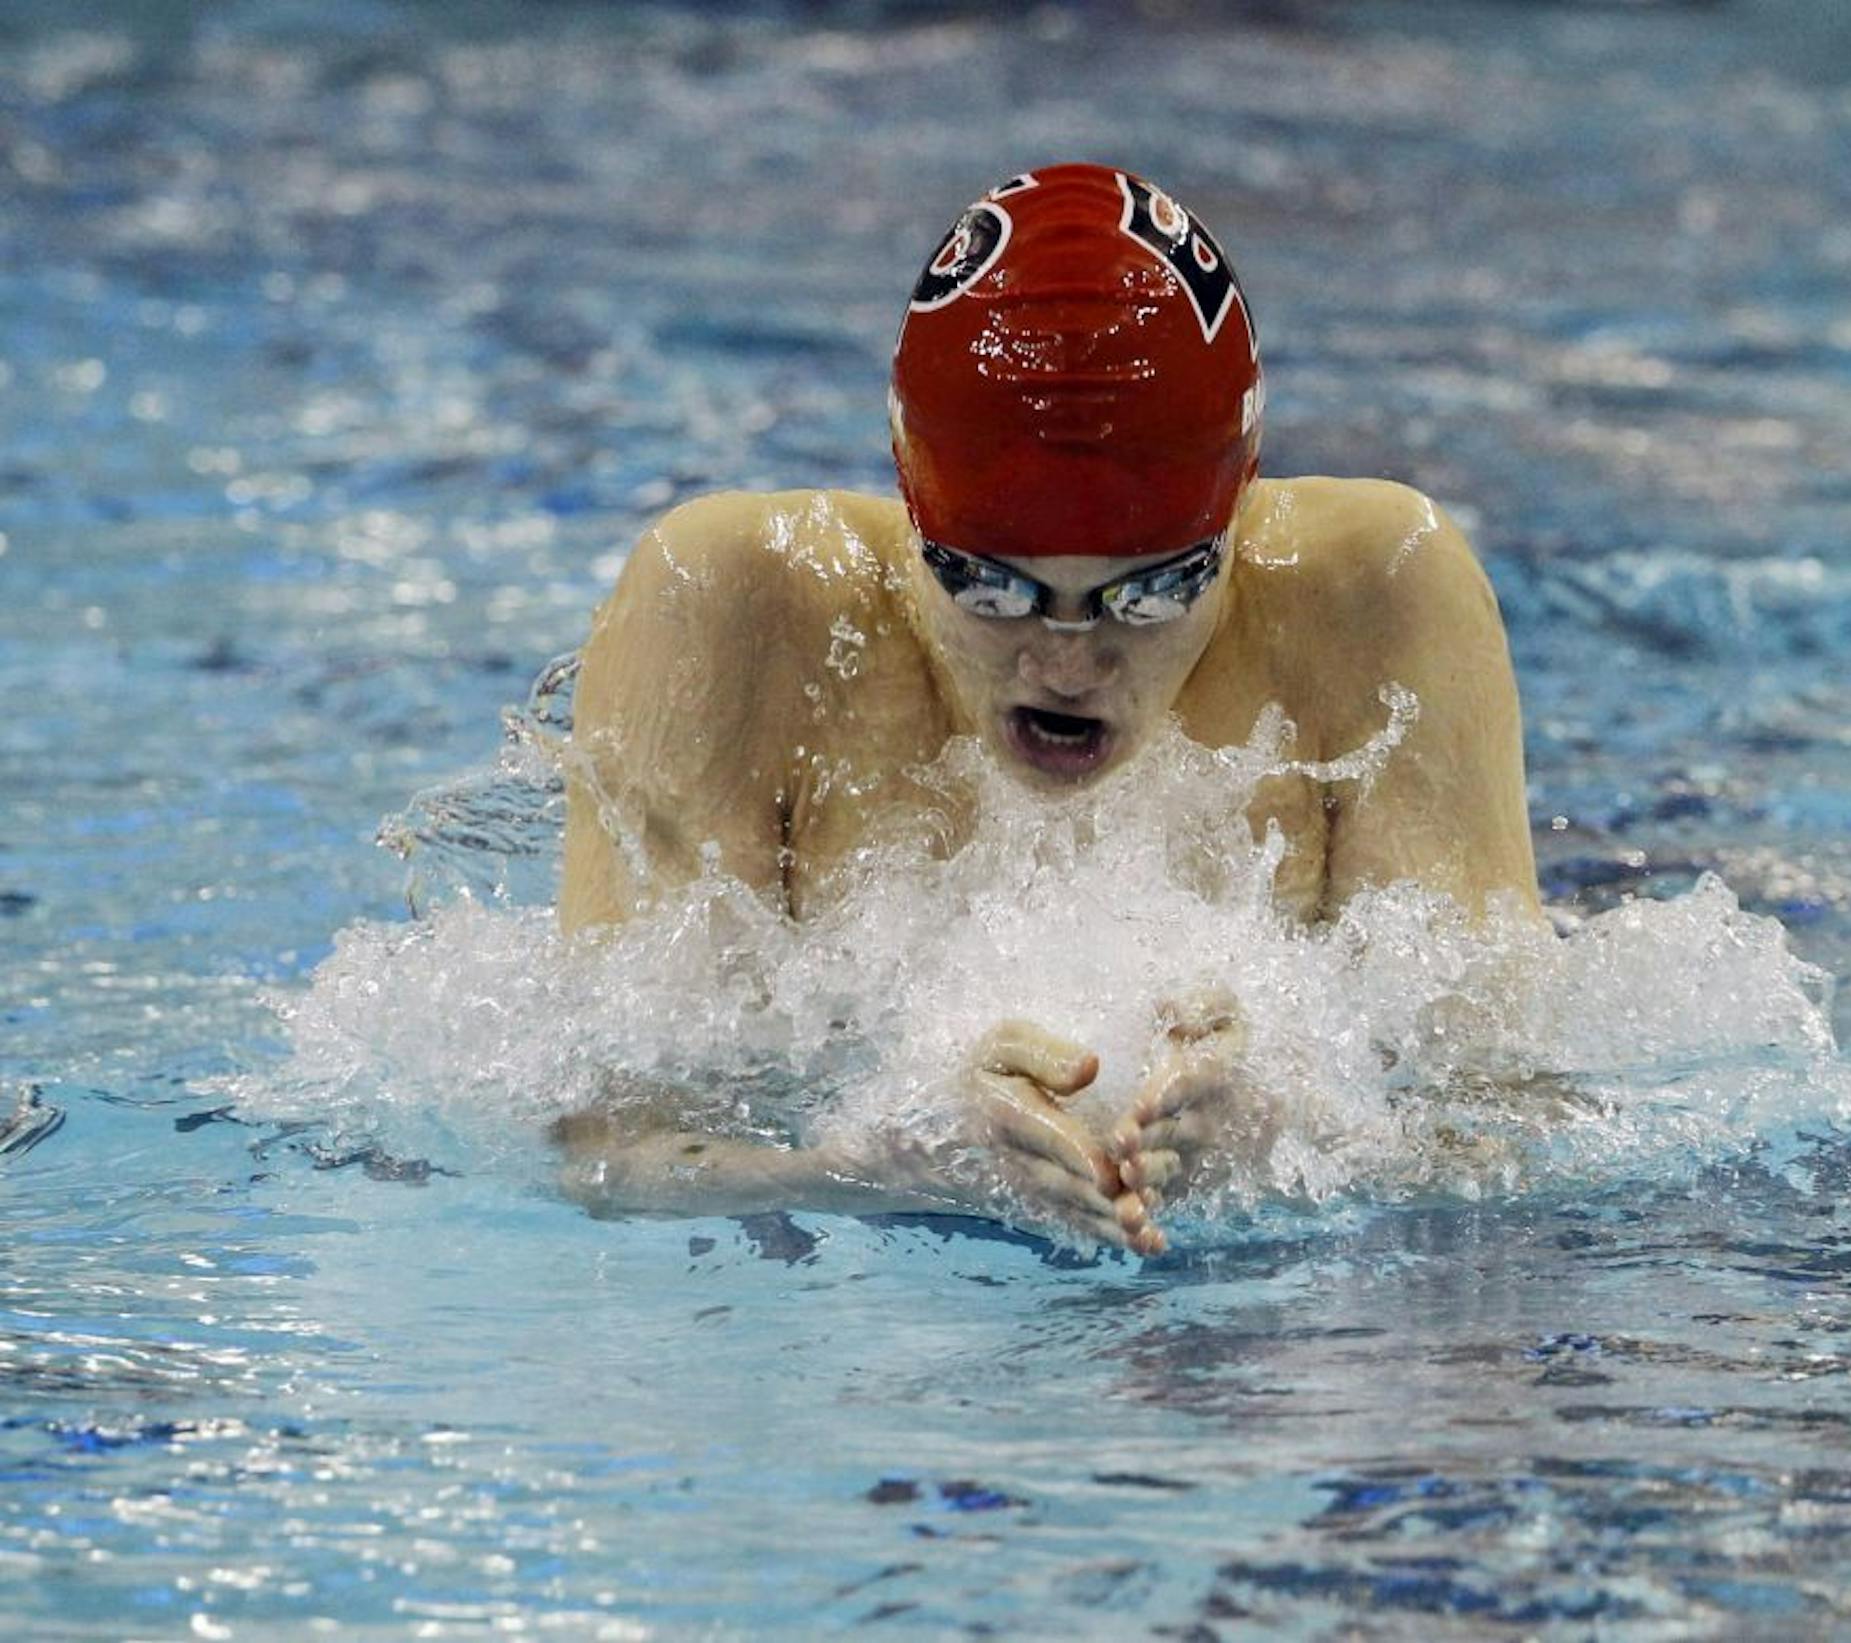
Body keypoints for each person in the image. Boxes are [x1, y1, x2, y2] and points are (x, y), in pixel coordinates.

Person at [552, 163, 1537, 1254]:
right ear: (905, 492)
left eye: (1152, 589)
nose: (1068, 663)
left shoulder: (1379, 594)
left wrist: (1309, 1134)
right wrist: (877, 1165)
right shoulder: (732, 603)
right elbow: (606, 1151)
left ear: (1241, 509)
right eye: (991, 585)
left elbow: (1521, 1121)